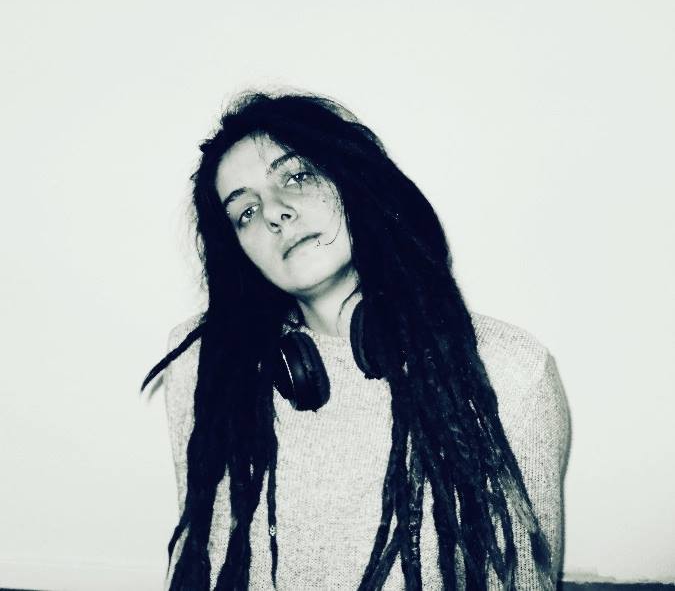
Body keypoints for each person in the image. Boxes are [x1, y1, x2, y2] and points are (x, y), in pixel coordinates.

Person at [141, 91, 571, 590]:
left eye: (296, 177)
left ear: (354, 180)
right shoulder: (204, 363)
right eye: (246, 211)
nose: (274, 213)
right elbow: (198, 564)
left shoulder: (512, 370)